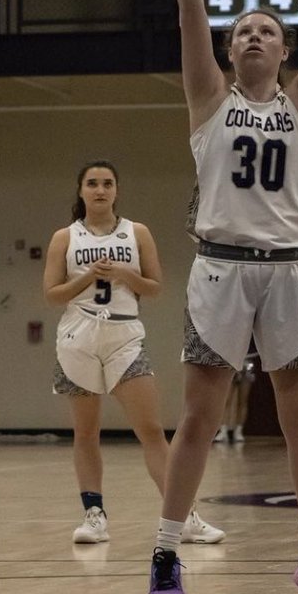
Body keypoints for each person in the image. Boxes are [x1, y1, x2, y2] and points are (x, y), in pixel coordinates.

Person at [145, 0, 298, 594]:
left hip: (290, 270)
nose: (253, 37)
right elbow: (190, 16)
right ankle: (166, 552)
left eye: (266, 31)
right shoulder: (206, 99)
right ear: (229, 52)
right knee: (199, 417)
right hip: (221, 270)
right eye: (243, 32)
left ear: (283, 49)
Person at [43, 160, 224, 546]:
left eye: (107, 183)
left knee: (152, 430)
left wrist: (122, 274)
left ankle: (184, 516)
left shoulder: (135, 232)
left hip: (124, 333)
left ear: (117, 190)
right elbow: (51, 293)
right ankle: (94, 515)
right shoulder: (65, 237)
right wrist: (88, 277)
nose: (100, 189)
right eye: (92, 183)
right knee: (86, 431)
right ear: (81, 191)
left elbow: (155, 287)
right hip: (78, 334)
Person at [214, 344, 259, 444]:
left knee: (243, 400)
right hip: (230, 359)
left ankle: (238, 430)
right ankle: (223, 430)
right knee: (226, 399)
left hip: (248, 360)